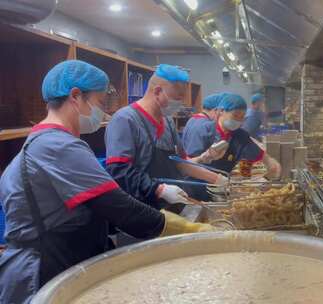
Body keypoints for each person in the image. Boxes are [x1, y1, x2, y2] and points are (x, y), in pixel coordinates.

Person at [0, 60, 214, 304]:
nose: (103, 112)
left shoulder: (50, 142)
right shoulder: (57, 146)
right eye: (101, 103)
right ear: (75, 96)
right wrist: (195, 230)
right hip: (43, 269)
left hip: (63, 257)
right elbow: (120, 208)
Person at [105, 64, 227, 205]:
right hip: (141, 206)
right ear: (157, 91)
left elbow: (180, 163)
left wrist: (216, 179)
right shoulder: (125, 120)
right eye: (177, 98)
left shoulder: (168, 121)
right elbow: (119, 172)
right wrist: (160, 190)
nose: (180, 104)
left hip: (169, 204)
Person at [183, 92, 281, 176]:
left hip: (224, 188)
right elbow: (187, 165)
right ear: (221, 111)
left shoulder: (239, 135)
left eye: (242, 117)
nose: (238, 120)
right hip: (198, 185)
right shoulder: (204, 130)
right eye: (235, 115)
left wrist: (270, 162)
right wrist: (202, 160)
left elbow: (253, 153)